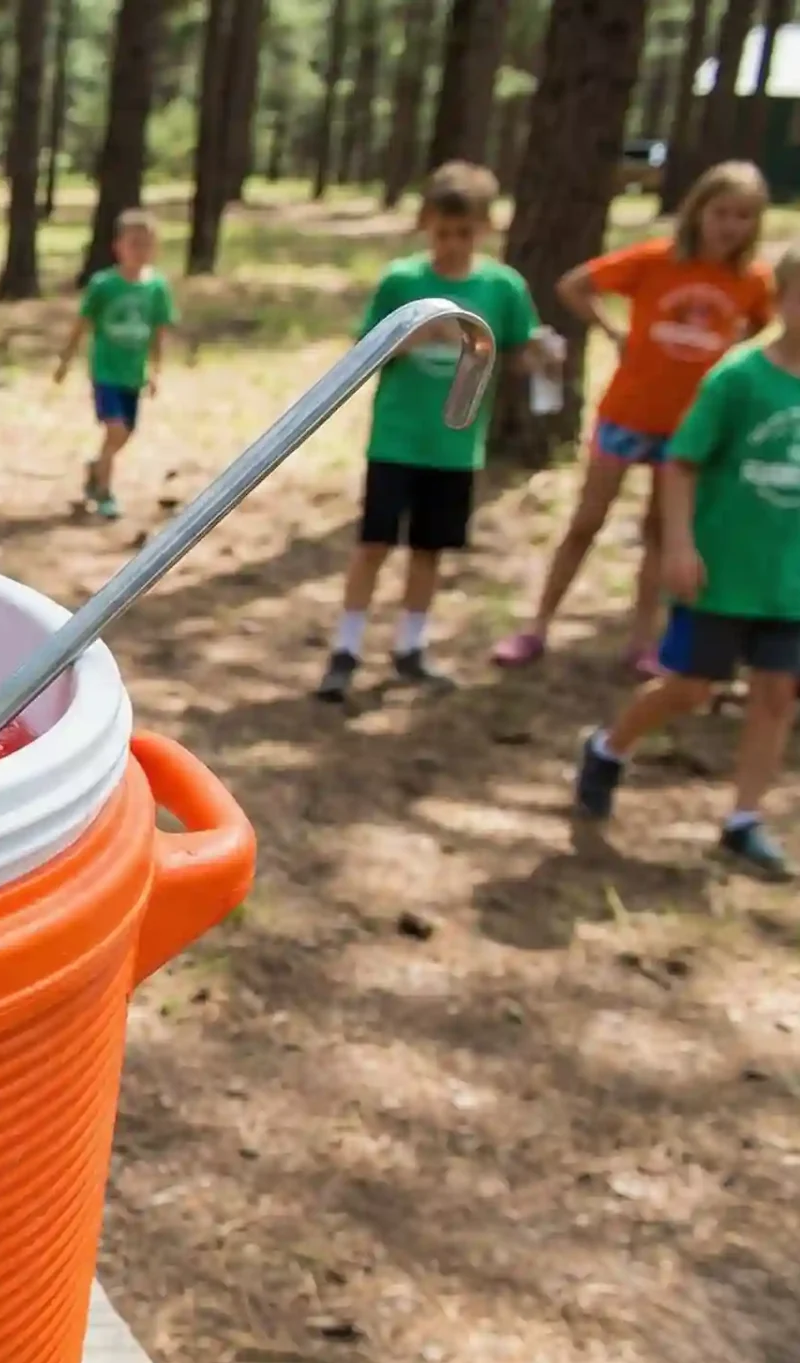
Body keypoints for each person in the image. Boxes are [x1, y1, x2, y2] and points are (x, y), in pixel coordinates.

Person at [574, 243, 800, 879]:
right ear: (781, 298)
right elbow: (681, 462)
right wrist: (679, 544)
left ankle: (744, 819)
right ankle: (608, 747)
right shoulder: (738, 378)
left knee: (777, 695)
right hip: (723, 570)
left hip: (789, 580)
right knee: (692, 688)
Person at [494, 161, 773, 674]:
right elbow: (575, 285)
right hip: (627, 414)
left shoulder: (752, 281)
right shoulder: (656, 260)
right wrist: (614, 331)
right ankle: (536, 626)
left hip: (690, 429)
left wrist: (738, 354)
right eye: (721, 211)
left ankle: (643, 642)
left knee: (660, 535)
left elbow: (769, 328)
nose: (729, 225)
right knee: (586, 521)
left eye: (743, 216)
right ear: (698, 211)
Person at [317, 162, 545, 703]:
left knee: (428, 549)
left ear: (485, 229)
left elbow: (517, 350)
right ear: (426, 226)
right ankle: (346, 648)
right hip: (397, 438)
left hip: (456, 445)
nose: (452, 244)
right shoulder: (404, 282)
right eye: (442, 233)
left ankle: (410, 647)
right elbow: (364, 352)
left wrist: (544, 354)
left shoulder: (502, 286)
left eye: (464, 233)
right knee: (373, 543)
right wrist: (416, 336)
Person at [55, 209, 176, 521]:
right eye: (133, 243)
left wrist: (155, 371)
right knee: (115, 428)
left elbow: (159, 331)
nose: (140, 251)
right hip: (106, 371)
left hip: (133, 374)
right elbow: (81, 324)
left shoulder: (157, 288)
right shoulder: (103, 285)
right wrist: (65, 362)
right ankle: (104, 493)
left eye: (147, 244)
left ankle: (97, 468)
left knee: (125, 434)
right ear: (118, 246)